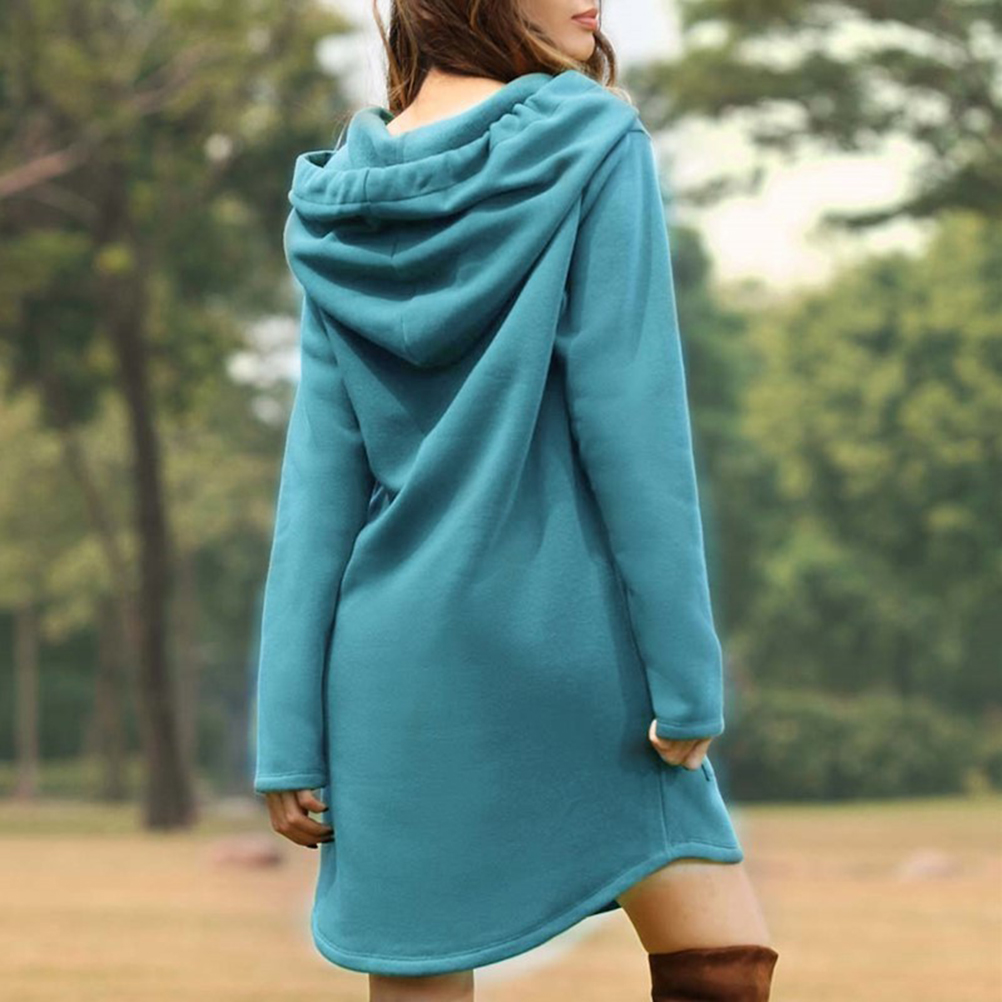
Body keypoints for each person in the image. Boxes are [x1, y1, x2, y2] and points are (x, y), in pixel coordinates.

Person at [252, 2, 779, 999]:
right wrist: (686, 670)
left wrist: (288, 734)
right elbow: (632, 426)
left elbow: (318, 484)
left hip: (393, 678)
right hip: (573, 648)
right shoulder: (592, 141)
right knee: (721, 959)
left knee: (418, 970)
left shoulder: (335, 196)